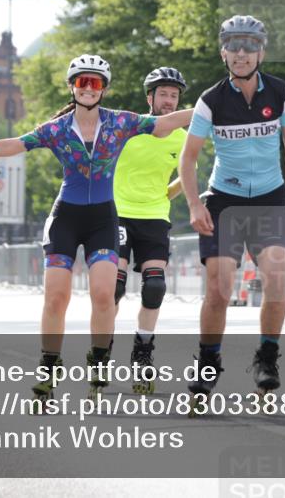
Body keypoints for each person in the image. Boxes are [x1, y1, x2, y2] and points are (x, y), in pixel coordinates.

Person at [0, 54, 192, 401]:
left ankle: (98, 362)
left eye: (96, 83)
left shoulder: (121, 123)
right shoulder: (57, 130)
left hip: (104, 220)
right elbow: (11, 146)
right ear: (72, 87)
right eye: (83, 82)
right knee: (56, 298)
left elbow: (166, 124)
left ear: (104, 89)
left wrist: (214, 106)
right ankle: (49, 367)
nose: (89, 88)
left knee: (103, 296)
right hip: (66, 216)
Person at [179, 15, 285, 408]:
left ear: (261, 52)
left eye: (249, 46)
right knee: (220, 288)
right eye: (234, 46)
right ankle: (208, 366)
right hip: (225, 201)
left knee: (276, 275)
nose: (241, 54)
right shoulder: (211, 100)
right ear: (223, 52)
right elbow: (188, 160)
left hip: (270, 198)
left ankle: (267, 360)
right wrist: (193, 204)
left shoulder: (280, 92)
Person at [112, 67, 189, 394]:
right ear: (150, 98)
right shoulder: (130, 129)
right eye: (163, 94)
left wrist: (163, 196)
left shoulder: (183, 136)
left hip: (154, 216)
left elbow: (187, 176)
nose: (169, 101)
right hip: (116, 214)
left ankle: (142, 353)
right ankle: (101, 351)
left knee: (155, 286)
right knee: (113, 288)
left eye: (174, 96)